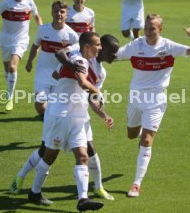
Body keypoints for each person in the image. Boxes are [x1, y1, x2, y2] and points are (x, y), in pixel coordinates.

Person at [9, 34, 120, 201]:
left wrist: (103, 114)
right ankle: (24, 179)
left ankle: (91, 192)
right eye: (110, 51)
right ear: (93, 46)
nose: (112, 55)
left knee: (86, 151)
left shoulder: (100, 71)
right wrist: (70, 73)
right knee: (46, 151)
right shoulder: (77, 56)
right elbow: (64, 65)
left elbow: (88, 94)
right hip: (59, 112)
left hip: (78, 114)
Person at [116, 14, 190, 197]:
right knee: (132, 135)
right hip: (135, 98)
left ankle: (136, 184)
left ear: (160, 30)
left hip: (156, 100)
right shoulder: (136, 44)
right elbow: (116, 55)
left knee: (146, 140)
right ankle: (141, 131)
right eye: (146, 27)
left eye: (152, 28)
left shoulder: (168, 46)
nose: (148, 31)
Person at [28, 32, 105, 212]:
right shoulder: (80, 61)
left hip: (76, 116)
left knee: (83, 156)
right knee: (50, 156)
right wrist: (97, 92)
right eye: (98, 44)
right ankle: (34, 192)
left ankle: (83, 199)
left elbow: (57, 75)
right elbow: (82, 81)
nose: (100, 48)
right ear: (87, 46)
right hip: (61, 115)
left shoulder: (75, 58)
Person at [0, 0, 42, 111]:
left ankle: (9, 97)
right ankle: (9, 88)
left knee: (12, 67)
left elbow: (37, 18)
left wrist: (42, 36)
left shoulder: (30, 3)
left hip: (21, 40)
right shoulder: (5, 3)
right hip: (6, 40)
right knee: (7, 69)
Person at [25, 0, 79, 116]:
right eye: (56, 11)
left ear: (66, 14)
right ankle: (48, 117)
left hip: (59, 76)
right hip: (42, 75)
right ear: (52, 13)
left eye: (62, 11)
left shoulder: (71, 35)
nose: (59, 13)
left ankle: (50, 120)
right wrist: (29, 61)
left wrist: (68, 52)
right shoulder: (43, 29)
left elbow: (78, 50)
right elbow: (35, 46)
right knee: (40, 106)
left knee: (58, 108)